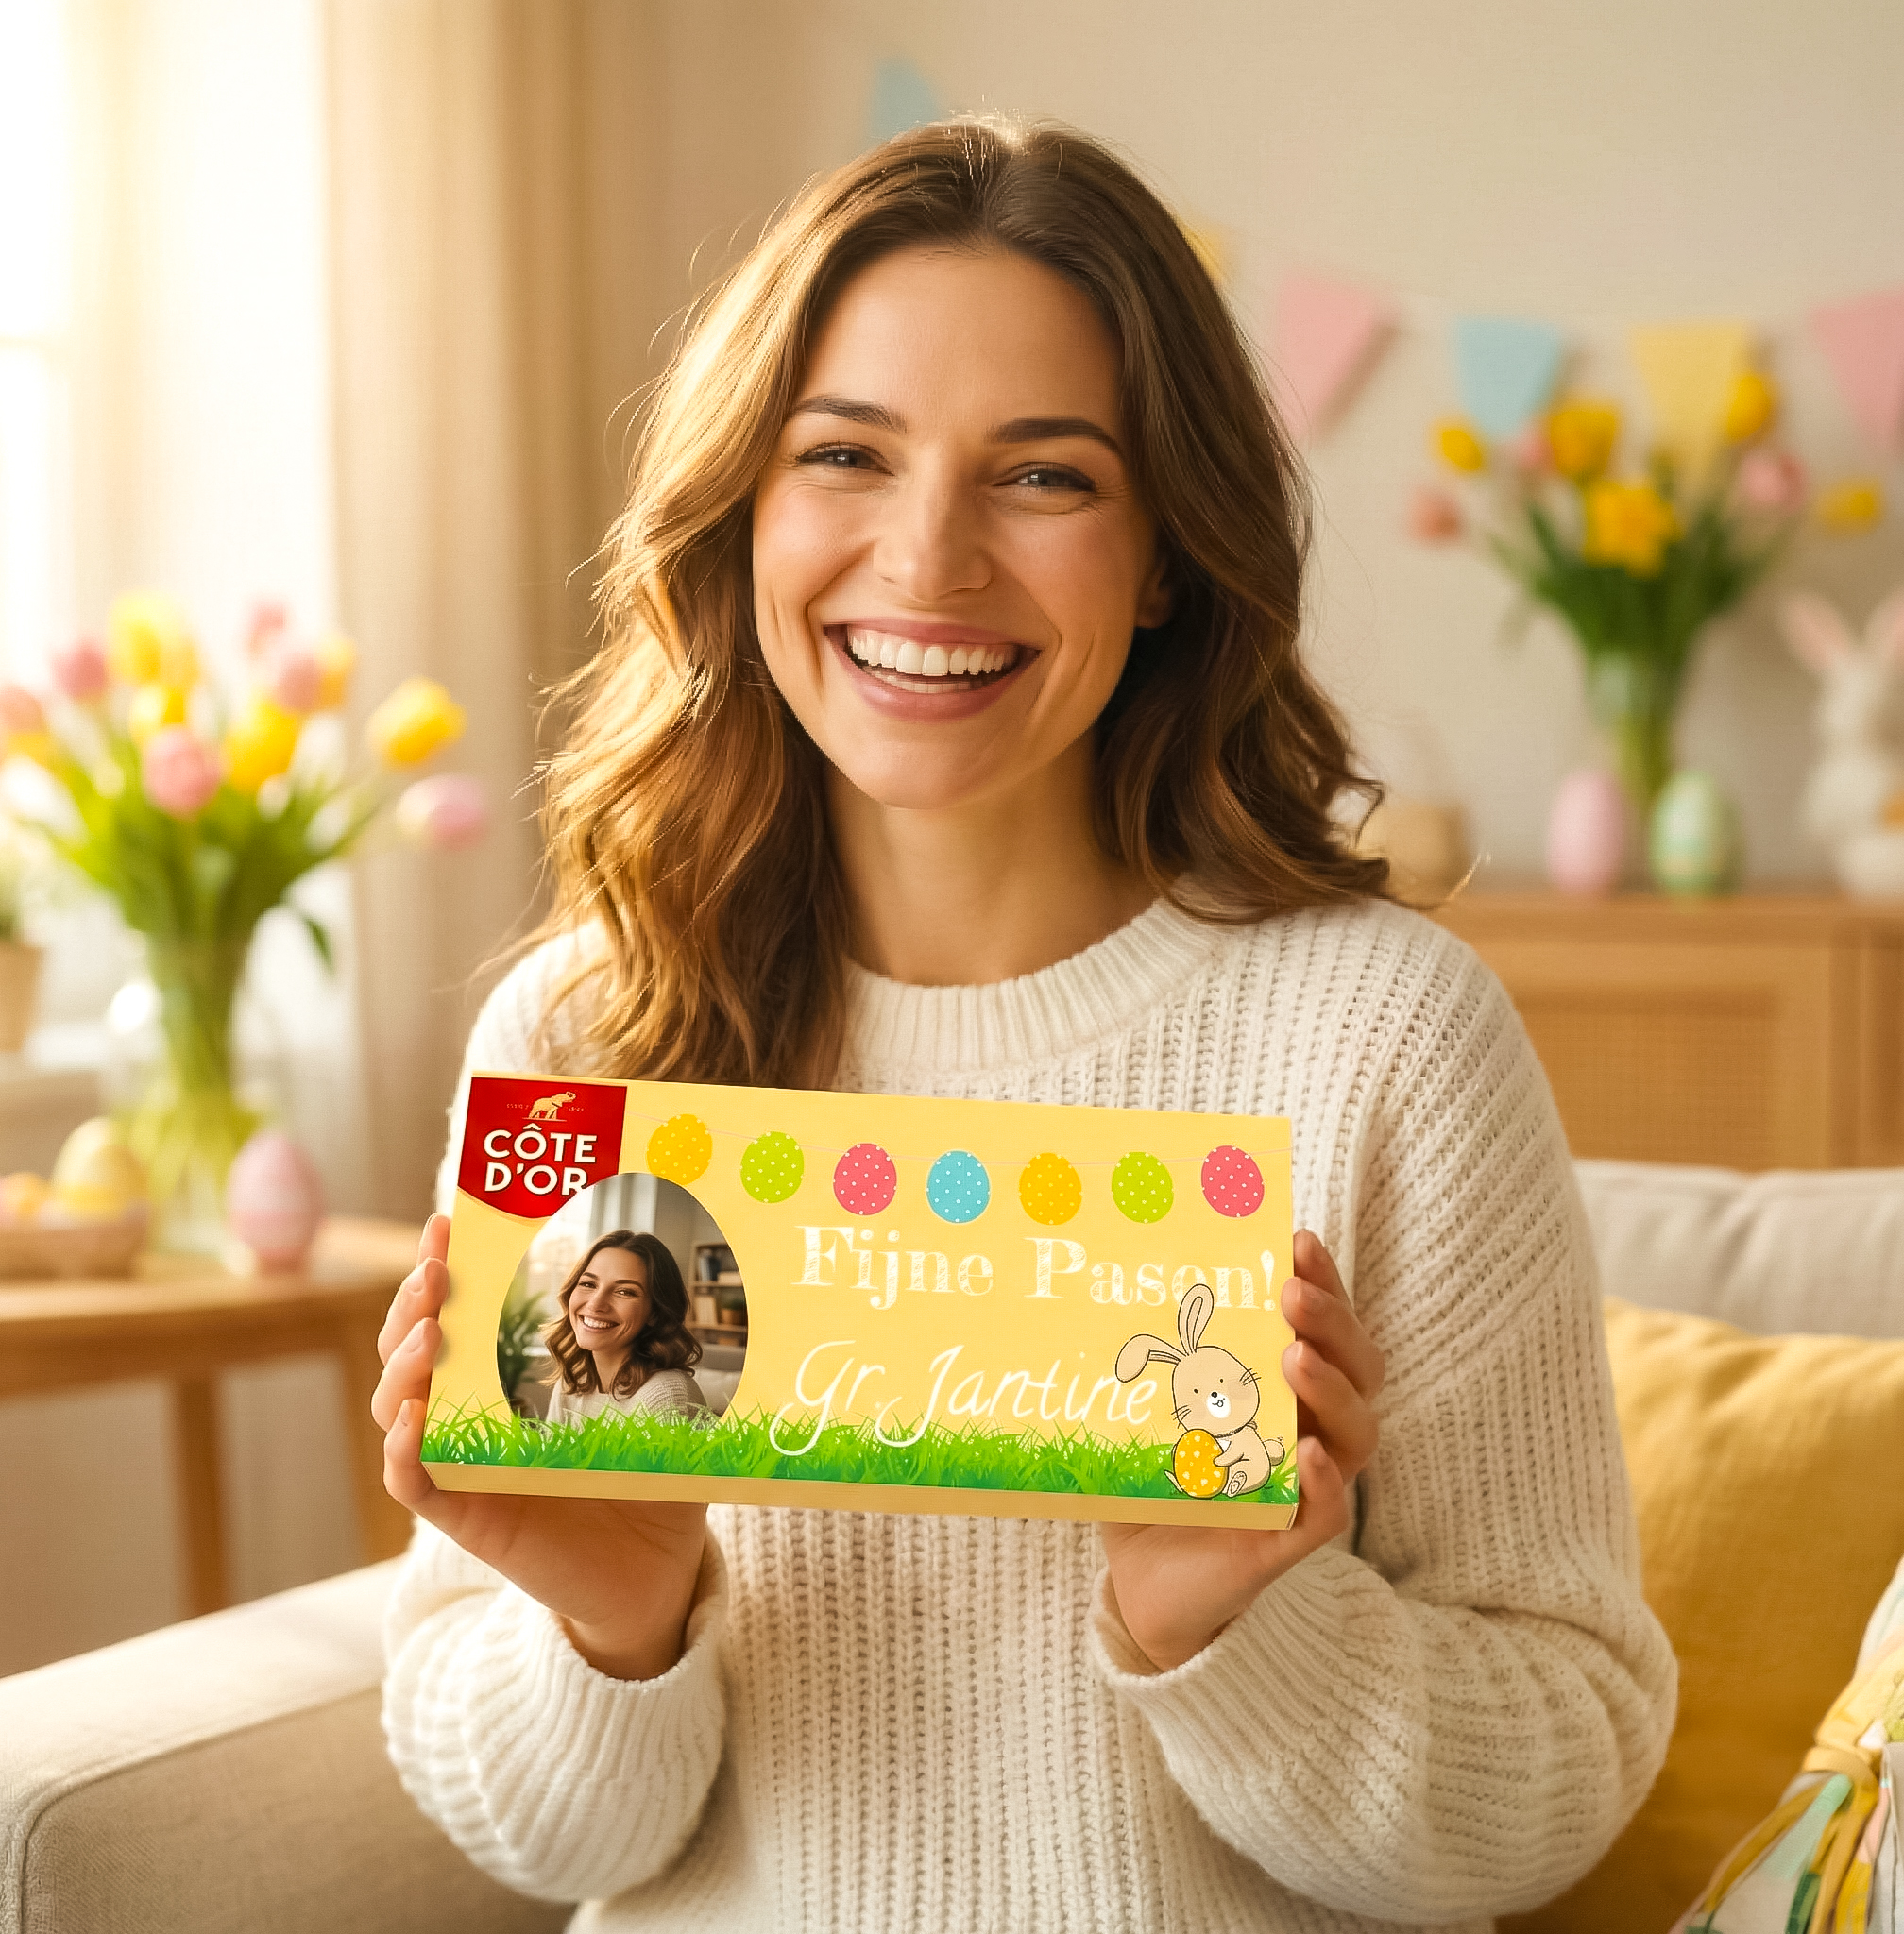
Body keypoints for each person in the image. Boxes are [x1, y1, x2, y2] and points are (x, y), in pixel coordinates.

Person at [370, 116, 1674, 1932]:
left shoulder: (1386, 1035)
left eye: (1044, 475)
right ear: (744, 510)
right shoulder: (589, 1028)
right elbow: (540, 1840)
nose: (928, 558)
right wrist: (613, 1620)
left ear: (1165, 555)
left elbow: (1564, 1774)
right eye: (844, 453)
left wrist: (1227, 1623)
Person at [542, 1230, 708, 1425]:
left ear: (655, 1313)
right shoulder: (572, 1382)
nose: (596, 1304)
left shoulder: (667, 1396)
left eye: (624, 1292)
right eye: (588, 1284)